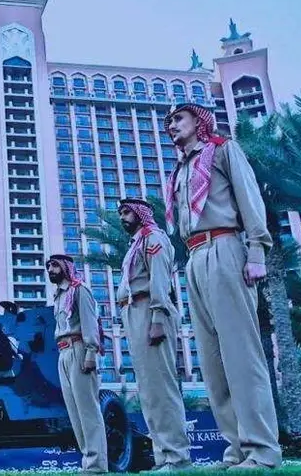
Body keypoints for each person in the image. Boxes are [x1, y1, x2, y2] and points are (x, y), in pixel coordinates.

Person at [163, 102, 281, 471]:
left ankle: (262, 451)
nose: (170, 126)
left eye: (177, 118)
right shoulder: (180, 169)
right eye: (167, 122)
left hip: (226, 248)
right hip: (194, 259)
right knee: (213, 364)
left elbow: (249, 197)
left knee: (242, 356)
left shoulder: (222, 150)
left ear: (198, 121)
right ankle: (236, 450)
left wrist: (258, 250)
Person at [116, 197, 192, 472]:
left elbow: (160, 278)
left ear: (141, 213)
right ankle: (164, 456)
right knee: (149, 391)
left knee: (162, 388)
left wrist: (158, 317)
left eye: (127, 212)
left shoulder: (153, 238)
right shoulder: (136, 243)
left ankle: (177, 458)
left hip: (150, 309)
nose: (122, 217)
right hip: (134, 312)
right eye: (121, 213)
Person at [48, 254, 108, 473]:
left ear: (66, 267)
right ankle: (88, 461)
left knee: (88, 410)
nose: (50, 269)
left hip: (80, 350)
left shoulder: (79, 290)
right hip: (63, 353)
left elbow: (90, 323)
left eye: (55, 265)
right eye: (48, 266)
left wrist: (91, 353)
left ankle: (97, 464)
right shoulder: (58, 296)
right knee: (75, 412)